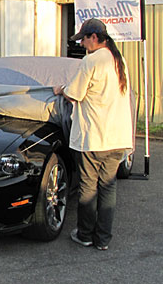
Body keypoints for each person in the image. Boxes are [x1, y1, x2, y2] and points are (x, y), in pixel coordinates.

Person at [53, 18, 133, 250]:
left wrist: (60, 90)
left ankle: (85, 234)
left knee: (88, 187)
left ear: (95, 37)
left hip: (94, 137)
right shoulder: (119, 60)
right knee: (108, 186)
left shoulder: (91, 61)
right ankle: (103, 239)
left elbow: (75, 94)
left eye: (84, 39)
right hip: (117, 137)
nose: (82, 44)